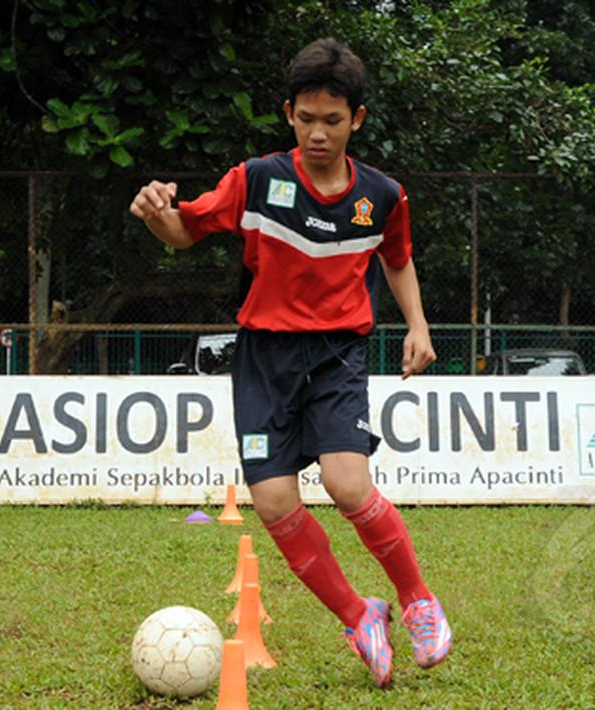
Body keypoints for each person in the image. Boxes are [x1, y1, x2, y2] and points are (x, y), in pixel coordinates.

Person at [129, 37, 448, 688]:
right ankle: (359, 617)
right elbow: (186, 231)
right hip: (263, 358)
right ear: (288, 114)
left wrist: (417, 325)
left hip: (337, 353)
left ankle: (417, 600)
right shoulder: (256, 180)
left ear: (355, 120)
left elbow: (395, 257)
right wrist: (157, 215)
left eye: (332, 121)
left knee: (347, 483)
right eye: (305, 119)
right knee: (273, 500)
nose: (317, 134)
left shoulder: (382, 195)